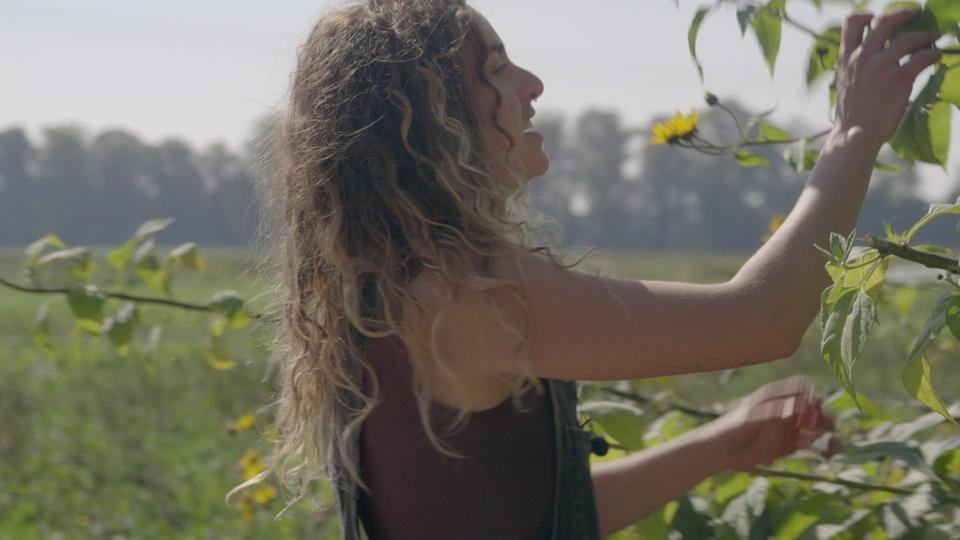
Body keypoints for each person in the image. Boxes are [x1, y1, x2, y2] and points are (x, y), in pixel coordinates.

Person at [232, 0, 943, 538]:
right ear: (429, 114)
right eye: (496, 71)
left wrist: (719, 444)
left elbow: (543, 517)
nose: (532, 84)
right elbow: (761, 318)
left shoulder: (391, 289)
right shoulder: (465, 294)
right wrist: (854, 135)